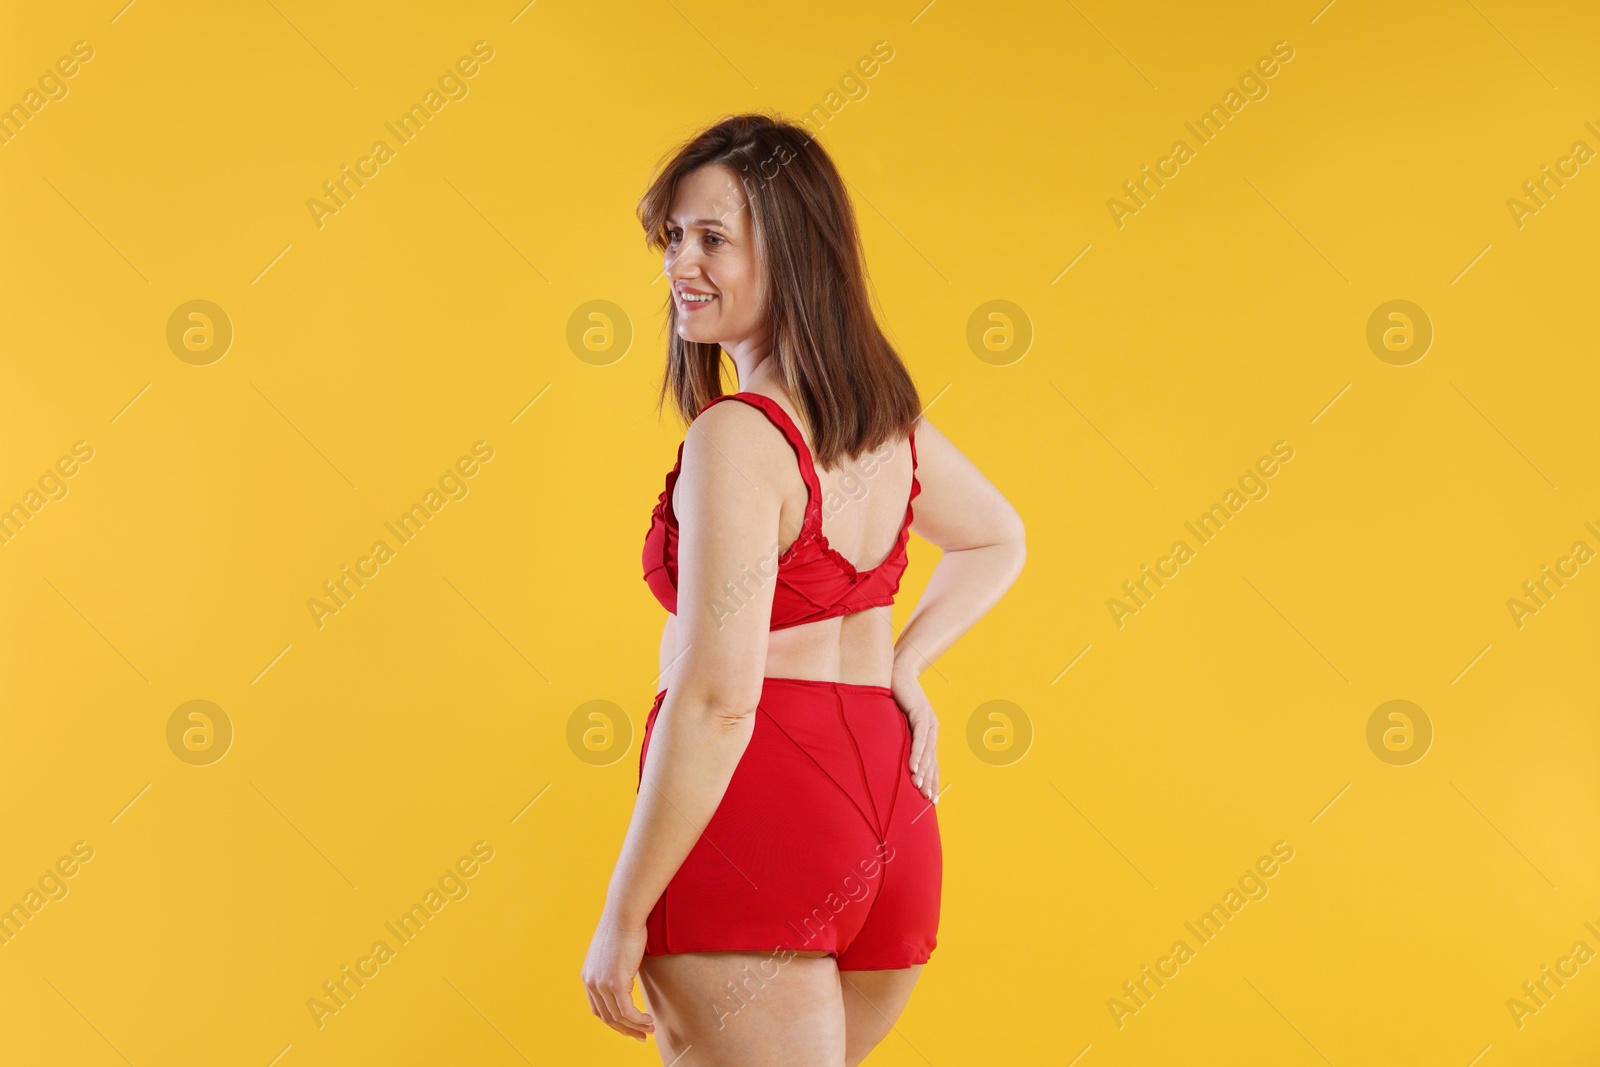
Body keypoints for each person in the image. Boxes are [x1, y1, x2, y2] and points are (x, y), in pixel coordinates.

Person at [582, 113, 1026, 1066]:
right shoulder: (886, 429)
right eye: (673, 237)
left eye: (712, 239)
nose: (680, 264)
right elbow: (997, 537)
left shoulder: (739, 437)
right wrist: (902, 665)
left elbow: (717, 698)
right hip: (890, 816)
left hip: (762, 816)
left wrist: (622, 916)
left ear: (791, 254)